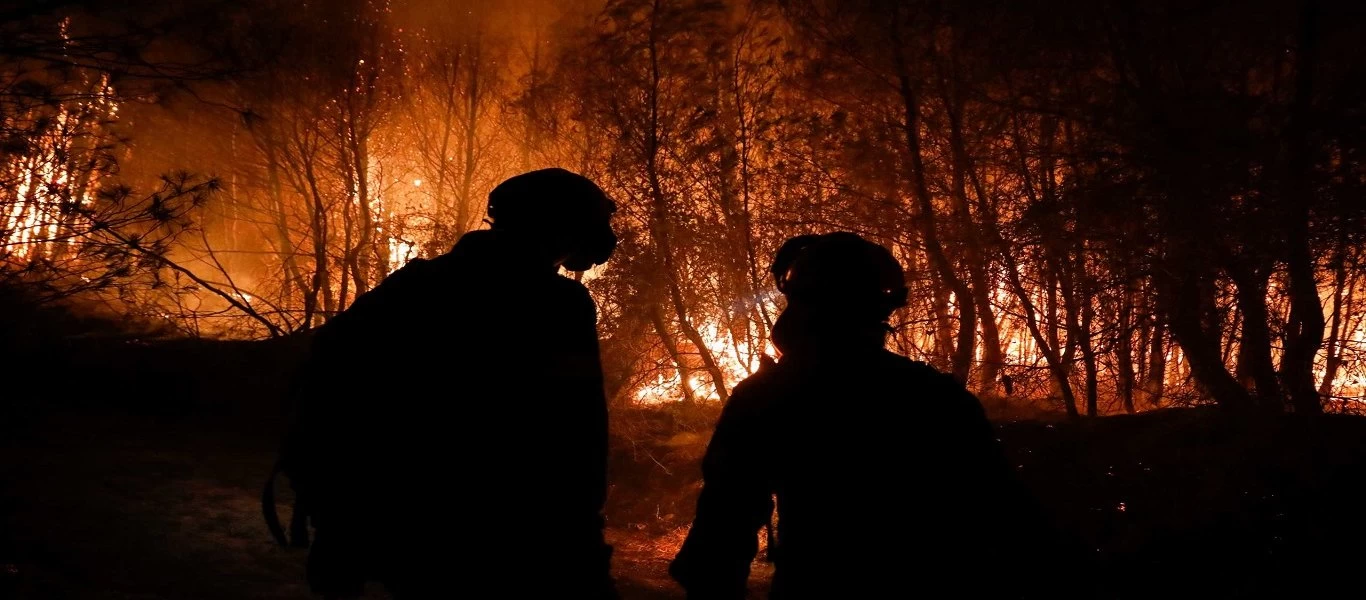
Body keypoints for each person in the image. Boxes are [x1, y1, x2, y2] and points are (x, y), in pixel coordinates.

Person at [276, 168, 619, 599]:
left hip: (394, 519)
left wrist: (339, 517)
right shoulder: (556, 306)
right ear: (559, 228)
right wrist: (582, 541)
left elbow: (327, 369)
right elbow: (575, 434)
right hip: (491, 532)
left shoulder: (416, 284)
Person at [670, 232, 1059, 599]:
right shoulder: (936, 397)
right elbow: (1009, 520)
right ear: (882, 307)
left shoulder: (767, 397)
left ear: (801, 304)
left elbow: (721, 534)